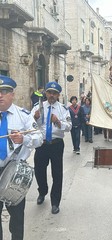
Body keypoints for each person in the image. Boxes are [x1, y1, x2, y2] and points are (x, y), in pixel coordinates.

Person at [0, 75, 43, 240]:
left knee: (17, 219)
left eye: (4, 91)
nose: (0, 95)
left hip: (15, 173)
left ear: (12, 94)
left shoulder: (23, 115)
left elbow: (39, 138)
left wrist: (24, 139)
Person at [31, 81, 72, 214]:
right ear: (46, 93)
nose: (52, 95)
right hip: (41, 144)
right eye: (49, 92)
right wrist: (34, 118)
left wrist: (58, 122)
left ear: (58, 95)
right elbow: (30, 125)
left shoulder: (63, 109)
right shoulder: (38, 107)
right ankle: (42, 191)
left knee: (57, 174)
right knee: (39, 171)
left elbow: (69, 126)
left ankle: (55, 202)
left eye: (54, 93)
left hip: (56, 144)